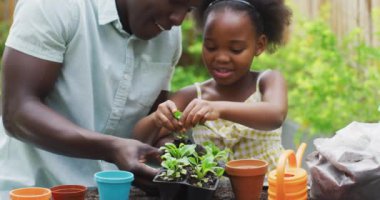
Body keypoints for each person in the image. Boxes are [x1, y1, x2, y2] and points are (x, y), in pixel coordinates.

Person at [0, 0, 200, 197]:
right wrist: (112, 148)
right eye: (174, 2)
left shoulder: (169, 36)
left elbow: (153, 123)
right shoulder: (56, 6)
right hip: (34, 190)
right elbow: (17, 111)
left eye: (189, 8)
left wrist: (169, 149)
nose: (179, 19)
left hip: (112, 192)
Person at [133, 0, 292, 171]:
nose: (221, 58)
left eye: (236, 49)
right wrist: (156, 119)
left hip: (271, 191)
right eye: (211, 47)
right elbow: (138, 142)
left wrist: (218, 109)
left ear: (259, 45)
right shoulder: (191, 96)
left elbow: (275, 115)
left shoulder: (268, 80)